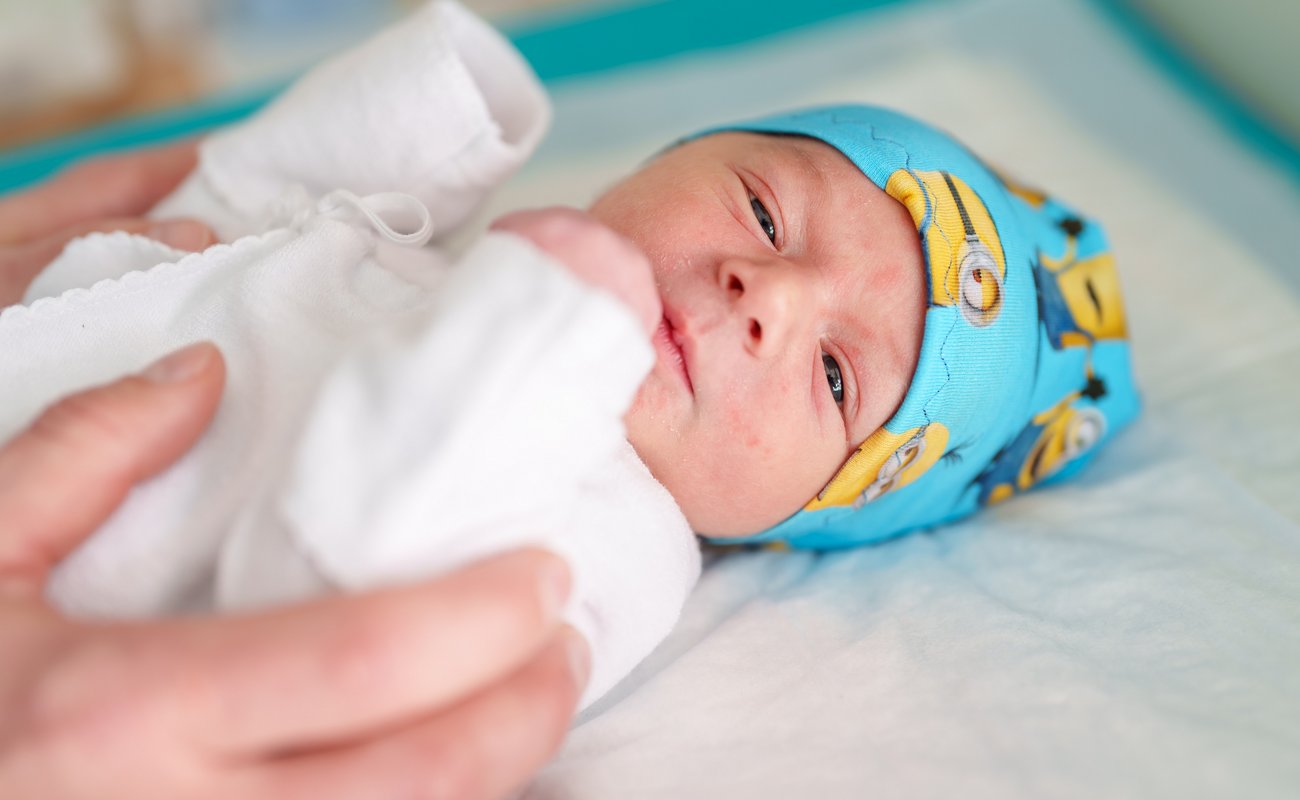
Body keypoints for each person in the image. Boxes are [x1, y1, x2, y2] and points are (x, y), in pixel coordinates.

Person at [0, 0, 1140, 724]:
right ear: (667, 157)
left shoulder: (616, 539)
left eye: (837, 378)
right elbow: (244, 205)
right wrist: (444, 107)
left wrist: (552, 311)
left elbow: (339, 564)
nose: (770, 293)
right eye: (760, 206)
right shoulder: (461, 271)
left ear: (804, 511)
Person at [0, 146, 589, 798]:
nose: (730, 278)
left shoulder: (601, 539)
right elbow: (370, 136)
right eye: (729, 187)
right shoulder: (412, 257)